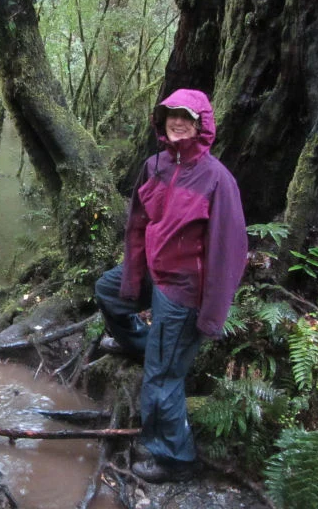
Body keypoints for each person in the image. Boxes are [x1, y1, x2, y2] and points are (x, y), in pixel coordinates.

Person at [95, 88, 247, 483]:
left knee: (163, 377)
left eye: (186, 116)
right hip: (152, 272)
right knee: (107, 291)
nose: (177, 122)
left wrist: (212, 314)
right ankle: (139, 344)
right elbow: (138, 223)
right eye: (170, 115)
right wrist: (131, 272)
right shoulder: (155, 165)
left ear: (201, 125)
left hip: (184, 291)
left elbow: (228, 252)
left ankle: (176, 458)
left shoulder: (217, 179)